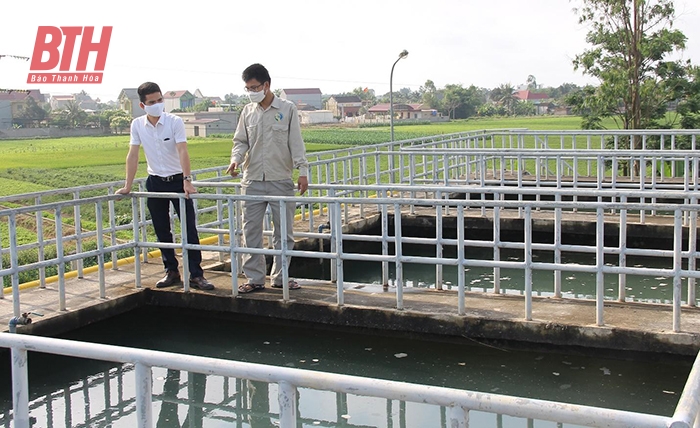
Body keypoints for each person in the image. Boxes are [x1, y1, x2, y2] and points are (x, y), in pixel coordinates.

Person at [116, 82, 214, 291]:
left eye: (160, 100)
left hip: (178, 180)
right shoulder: (137, 125)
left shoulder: (174, 122)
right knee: (162, 229)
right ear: (143, 105)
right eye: (152, 102)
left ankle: (196, 274)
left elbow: (182, 151)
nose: (157, 105)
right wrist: (127, 186)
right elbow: (133, 155)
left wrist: (187, 180)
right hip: (155, 181)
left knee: (189, 229)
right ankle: (171, 271)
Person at [226, 63, 308, 294]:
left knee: (284, 232)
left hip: (280, 178)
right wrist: (236, 159)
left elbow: (296, 143)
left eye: (254, 87)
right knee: (250, 230)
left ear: (266, 85)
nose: (251, 92)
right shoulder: (248, 111)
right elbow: (240, 141)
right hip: (252, 180)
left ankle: (281, 278)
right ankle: (255, 278)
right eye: (247, 88)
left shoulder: (287, 109)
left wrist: (303, 171)